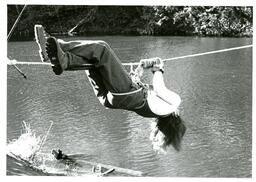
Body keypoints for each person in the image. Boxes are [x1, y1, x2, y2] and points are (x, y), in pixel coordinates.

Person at [35, 25, 186, 152]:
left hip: (128, 94)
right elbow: (140, 91)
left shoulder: (171, 104)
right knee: (93, 61)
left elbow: (159, 86)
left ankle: (59, 47)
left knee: (102, 49)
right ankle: (62, 59)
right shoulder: (155, 111)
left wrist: (159, 67)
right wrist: (141, 69)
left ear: (176, 119)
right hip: (110, 100)